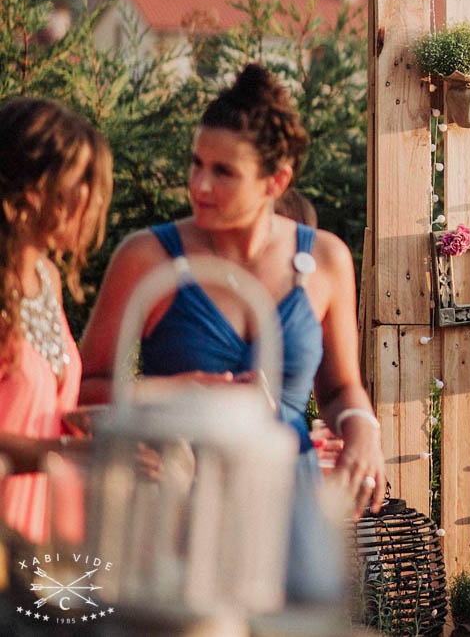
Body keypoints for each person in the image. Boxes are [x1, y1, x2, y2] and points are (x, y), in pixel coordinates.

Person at [78, 64, 381, 599]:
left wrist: (362, 428)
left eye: (223, 172)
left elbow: (338, 388)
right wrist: (184, 391)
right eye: (196, 164)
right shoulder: (145, 258)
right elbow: (85, 388)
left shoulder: (327, 258)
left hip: (289, 501)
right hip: (175, 503)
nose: (199, 185)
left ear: (276, 181)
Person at [0, 97, 112, 543]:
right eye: (82, 180)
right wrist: (71, 452)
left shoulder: (46, 277)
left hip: (34, 541)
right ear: (34, 188)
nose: (94, 196)